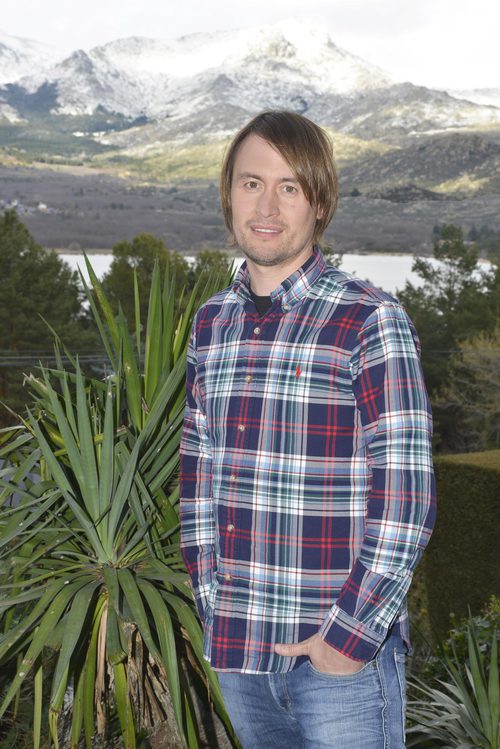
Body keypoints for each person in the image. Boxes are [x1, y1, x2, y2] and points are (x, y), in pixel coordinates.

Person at [179, 110, 436, 749]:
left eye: (289, 187)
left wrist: (348, 639)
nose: (266, 206)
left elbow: (406, 499)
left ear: (319, 202)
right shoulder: (212, 324)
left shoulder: (368, 320)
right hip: (240, 656)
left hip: (338, 667)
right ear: (228, 195)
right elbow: (198, 478)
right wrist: (211, 603)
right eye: (251, 183)